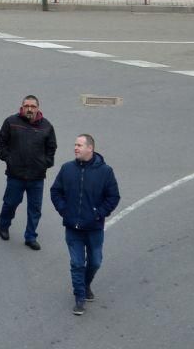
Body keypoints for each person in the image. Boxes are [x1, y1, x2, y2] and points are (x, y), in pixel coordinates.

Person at [50, 134, 120, 315]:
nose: (75, 148)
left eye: (79, 145)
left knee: (95, 262)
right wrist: (64, 210)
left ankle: (86, 284)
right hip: (73, 228)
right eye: (75, 145)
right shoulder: (67, 169)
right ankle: (80, 297)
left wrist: (99, 213)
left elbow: (113, 197)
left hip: (94, 228)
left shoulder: (105, 171)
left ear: (90, 148)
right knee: (77, 263)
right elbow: (55, 191)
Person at [0, 95, 58, 250]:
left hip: (36, 178)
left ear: (38, 108)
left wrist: (46, 163)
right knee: (10, 203)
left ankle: (30, 237)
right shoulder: (11, 122)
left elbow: (52, 147)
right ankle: (4, 225)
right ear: (22, 107)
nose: (29, 109)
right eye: (27, 106)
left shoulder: (47, 127)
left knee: (35, 209)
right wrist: (8, 159)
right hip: (15, 175)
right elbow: (0, 142)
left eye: (33, 106)